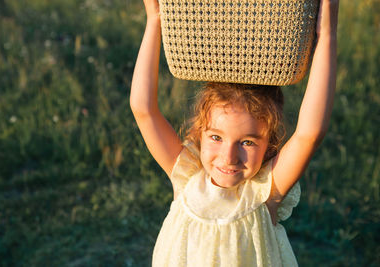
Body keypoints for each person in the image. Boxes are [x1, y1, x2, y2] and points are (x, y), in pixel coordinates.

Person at [130, 0, 339, 265]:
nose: (229, 157)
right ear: (200, 132)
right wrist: (155, 20)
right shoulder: (186, 178)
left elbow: (311, 132)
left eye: (248, 142)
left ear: (270, 145)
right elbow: (143, 109)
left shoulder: (265, 192)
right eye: (216, 137)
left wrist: (328, 35)